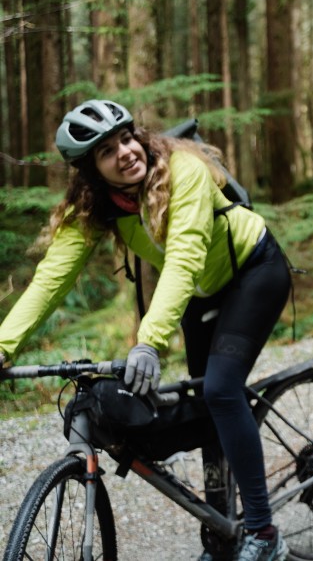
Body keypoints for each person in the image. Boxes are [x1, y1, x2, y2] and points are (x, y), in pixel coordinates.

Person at [0, 100, 292, 561]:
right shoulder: (95, 207)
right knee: (204, 405)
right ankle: (223, 537)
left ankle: (263, 532)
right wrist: (3, 346)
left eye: (127, 139)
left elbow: (183, 257)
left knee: (219, 389)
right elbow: (51, 280)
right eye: (107, 151)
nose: (125, 153)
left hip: (254, 271)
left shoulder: (184, 170)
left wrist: (149, 342)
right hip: (202, 290)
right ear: (91, 171)